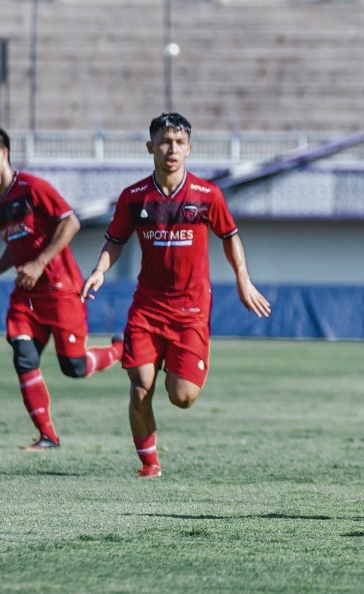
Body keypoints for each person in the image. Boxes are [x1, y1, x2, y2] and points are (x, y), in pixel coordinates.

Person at [81, 112, 271, 478]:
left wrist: (243, 280)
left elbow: (229, 237)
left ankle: (128, 351)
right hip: (148, 307)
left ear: (189, 149)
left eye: (180, 143)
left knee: (182, 396)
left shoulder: (207, 195)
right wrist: (99, 270)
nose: (172, 149)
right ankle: (149, 464)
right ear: (150, 146)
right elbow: (114, 241)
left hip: (191, 310)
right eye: (165, 142)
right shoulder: (134, 197)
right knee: (140, 388)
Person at [0, 127, 123, 451]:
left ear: (3, 153)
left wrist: (40, 262)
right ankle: (48, 436)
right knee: (23, 356)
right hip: (27, 295)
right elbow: (16, 246)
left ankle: (121, 350)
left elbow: (71, 222)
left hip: (60, 289)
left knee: (74, 368)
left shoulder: (33, 187)